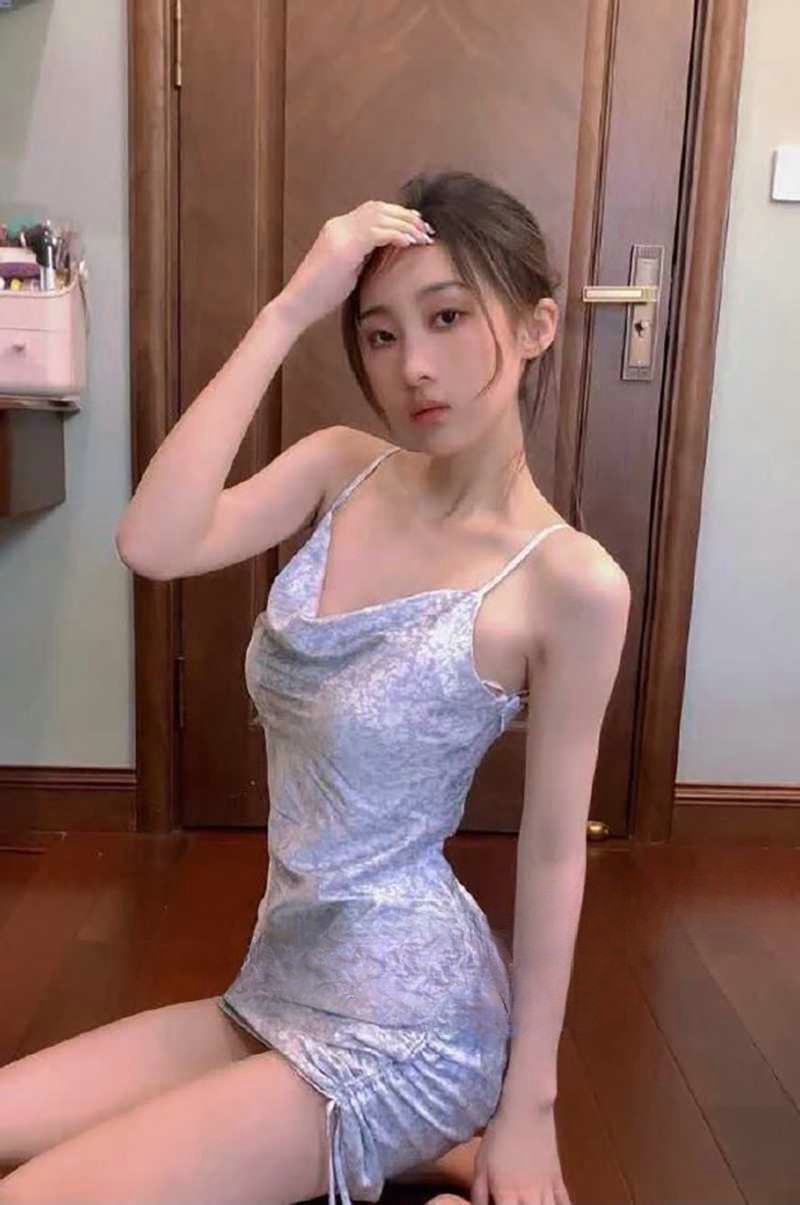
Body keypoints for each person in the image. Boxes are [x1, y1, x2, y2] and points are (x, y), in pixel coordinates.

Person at [0, 171, 630, 1205]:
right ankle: (418, 1161)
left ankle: (425, 1128)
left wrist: (531, 1107)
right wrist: (291, 307)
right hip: (276, 983)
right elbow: (152, 542)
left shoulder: (569, 582)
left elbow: (556, 849)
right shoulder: (343, 467)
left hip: (408, 1024)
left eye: (447, 316)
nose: (412, 364)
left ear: (536, 325)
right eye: (379, 334)